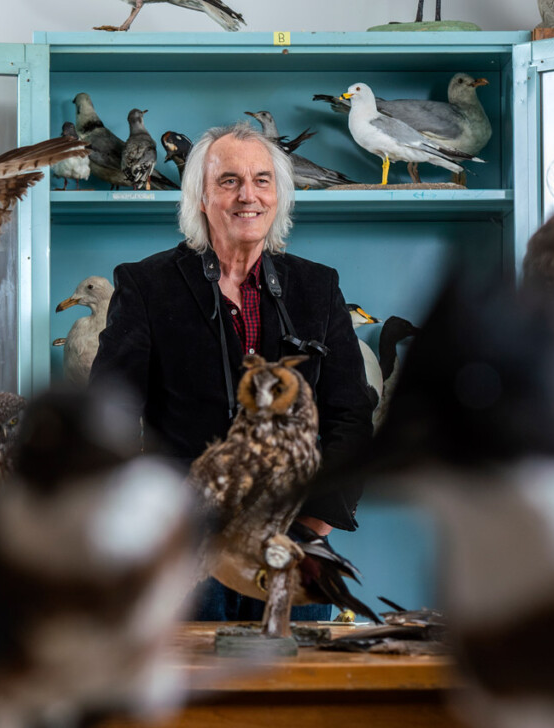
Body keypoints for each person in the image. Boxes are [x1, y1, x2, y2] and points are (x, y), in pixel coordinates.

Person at [89, 122, 374, 621]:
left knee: (295, 694)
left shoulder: (318, 287)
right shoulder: (145, 285)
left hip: (292, 546)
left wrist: (312, 527)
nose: (249, 196)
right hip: (184, 553)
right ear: (200, 197)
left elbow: (350, 415)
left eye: (263, 180)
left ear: (279, 196)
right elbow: (106, 416)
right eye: (229, 181)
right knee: (190, 696)